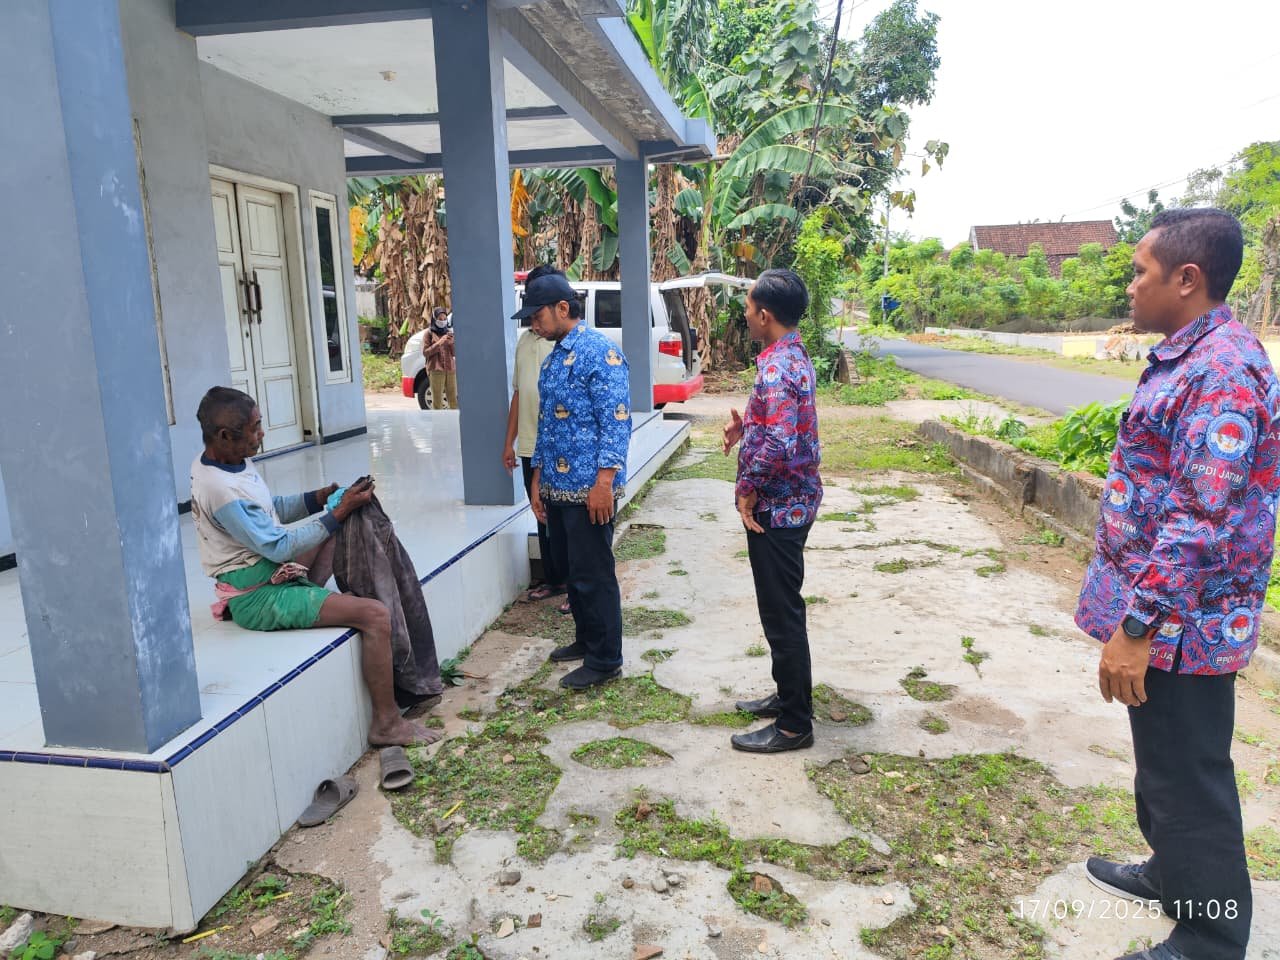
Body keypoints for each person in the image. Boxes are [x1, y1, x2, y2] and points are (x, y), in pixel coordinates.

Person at [1076, 209, 1275, 960]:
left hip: (1185, 624)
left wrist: (1139, 627)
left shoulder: (1221, 372)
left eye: (1141, 272)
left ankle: (1209, 938)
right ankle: (1172, 873)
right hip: (1166, 615)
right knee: (1160, 759)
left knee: (1189, 771)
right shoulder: (1189, 357)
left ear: (1187, 279)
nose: (1131, 287)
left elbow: (1201, 518)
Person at [190, 386, 437, 748]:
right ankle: (386, 723)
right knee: (376, 615)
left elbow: (269, 509)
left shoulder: (231, 460)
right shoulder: (219, 489)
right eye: (255, 429)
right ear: (226, 435)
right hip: (258, 596)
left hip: (274, 573)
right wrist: (339, 510)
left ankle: (332, 601)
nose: (262, 434)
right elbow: (278, 546)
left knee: (342, 527)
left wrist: (320, 499)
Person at [721, 269, 822, 754]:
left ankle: (794, 725)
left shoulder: (778, 367)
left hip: (778, 508)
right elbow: (785, 425)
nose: (744, 315)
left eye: (747, 308)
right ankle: (788, 696)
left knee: (781, 614)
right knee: (782, 609)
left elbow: (781, 443)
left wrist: (747, 488)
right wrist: (748, 427)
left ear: (764, 315)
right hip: (792, 501)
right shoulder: (793, 355)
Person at [515, 269, 631, 689]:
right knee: (573, 573)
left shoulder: (600, 353)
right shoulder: (554, 357)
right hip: (556, 487)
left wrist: (604, 483)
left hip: (588, 490)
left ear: (563, 308)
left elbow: (616, 422)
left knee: (594, 573)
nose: (533, 323)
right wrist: (537, 479)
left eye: (538, 315)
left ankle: (605, 659)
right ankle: (586, 639)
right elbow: (546, 425)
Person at [503, 265, 567, 607]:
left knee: (565, 516)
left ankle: (574, 583)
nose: (534, 321)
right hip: (530, 446)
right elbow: (518, 393)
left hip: (558, 446)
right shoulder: (525, 341)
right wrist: (509, 443)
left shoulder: (563, 345)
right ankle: (555, 579)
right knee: (541, 513)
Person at [424, 306, 458, 409]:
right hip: (436, 369)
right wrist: (439, 343)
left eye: (444, 319)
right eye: (440, 319)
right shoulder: (429, 333)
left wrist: (452, 343)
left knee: (453, 400)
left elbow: (454, 353)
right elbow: (425, 353)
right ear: (434, 319)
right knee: (437, 401)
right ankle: (437, 419)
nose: (442, 321)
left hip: (450, 369)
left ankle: (454, 418)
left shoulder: (449, 332)